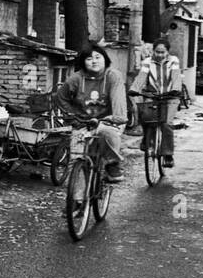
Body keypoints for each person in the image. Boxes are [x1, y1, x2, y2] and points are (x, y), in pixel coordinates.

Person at [56, 42, 128, 182]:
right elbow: (61, 97)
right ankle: (78, 199)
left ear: (105, 59)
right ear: (83, 62)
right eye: (89, 59)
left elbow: (118, 98)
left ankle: (112, 163)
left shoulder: (113, 76)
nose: (94, 61)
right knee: (77, 159)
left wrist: (118, 117)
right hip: (82, 122)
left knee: (108, 133)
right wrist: (71, 115)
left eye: (97, 57)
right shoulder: (76, 78)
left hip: (108, 120)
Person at [129, 37, 181, 167]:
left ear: (167, 52)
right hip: (152, 95)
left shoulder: (173, 61)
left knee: (167, 124)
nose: (159, 55)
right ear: (153, 51)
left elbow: (176, 76)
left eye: (162, 52)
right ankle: (147, 140)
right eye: (157, 52)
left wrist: (175, 90)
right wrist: (134, 89)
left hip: (170, 96)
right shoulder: (147, 62)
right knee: (146, 118)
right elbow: (141, 77)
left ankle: (168, 154)